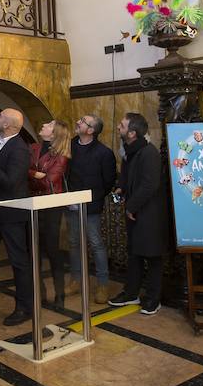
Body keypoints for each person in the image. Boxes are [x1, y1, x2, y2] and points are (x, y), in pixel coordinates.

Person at [0, 108, 34, 326]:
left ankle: (24, 308)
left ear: (8, 124)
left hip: (11, 214)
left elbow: (10, 182)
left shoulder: (20, 149)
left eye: (0, 116)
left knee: (18, 262)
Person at [108, 112, 167, 315]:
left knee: (152, 255)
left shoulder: (148, 153)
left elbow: (150, 185)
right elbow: (127, 177)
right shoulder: (130, 151)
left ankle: (153, 298)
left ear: (132, 132)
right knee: (134, 254)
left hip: (149, 213)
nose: (118, 128)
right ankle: (131, 293)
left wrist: (131, 206)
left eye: (122, 126)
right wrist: (120, 188)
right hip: (135, 211)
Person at [65, 114, 116, 304]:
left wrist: (89, 200)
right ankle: (76, 280)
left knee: (96, 244)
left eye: (83, 122)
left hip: (91, 207)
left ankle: (103, 285)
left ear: (91, 130)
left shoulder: (104, 153)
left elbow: (108, 182)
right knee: (73, 243)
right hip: (70, 203)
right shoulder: (69, 145)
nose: (77, 122)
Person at [28, 119, 72, 308]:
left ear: (53, 134)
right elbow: (24, 171)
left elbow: (48, 182)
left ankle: (59, 294)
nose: (43, 125)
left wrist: (33, 175)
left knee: (53, 250)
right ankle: (40, 293)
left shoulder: (61, 156)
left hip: (52, 205)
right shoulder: (34, 147)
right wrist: (33, 174)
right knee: (34, 249)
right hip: (33, 202)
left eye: (48, 125)